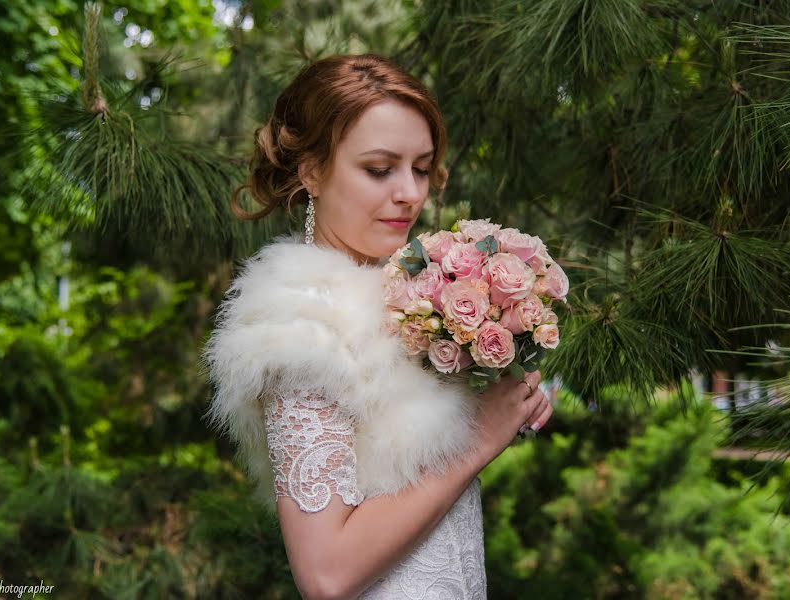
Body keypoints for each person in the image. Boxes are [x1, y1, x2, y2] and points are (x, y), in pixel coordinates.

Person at [203, 53, 553, 600]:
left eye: (420, 167)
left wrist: (510, 394)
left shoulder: (401, 302)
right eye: (379, 168)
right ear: (312, 171)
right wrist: (481, 437)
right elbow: (326, 574)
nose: (411, 193)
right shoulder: (303, 327)